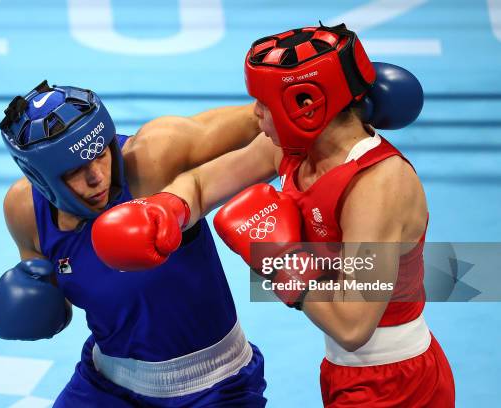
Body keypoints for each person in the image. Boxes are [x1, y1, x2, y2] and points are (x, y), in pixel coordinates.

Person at [96, 23, 455, 406]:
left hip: (397, 381)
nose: (255, 113)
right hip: (345, 369)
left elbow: (354, 325)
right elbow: (201, 184)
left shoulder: (377, 186)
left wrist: (278, 257)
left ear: (305, 105)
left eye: (265, 103)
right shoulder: (292, 150)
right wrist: (167, 209)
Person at [0, 80, 267, 407]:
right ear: (41, 178)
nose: (97, 177)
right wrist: (38, 303)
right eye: (75, 170)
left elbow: (261, 118)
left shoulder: (153, 159)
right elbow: (59, 304)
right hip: (107, 382)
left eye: (100, 154)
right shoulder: (24, 211)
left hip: (214, 383)